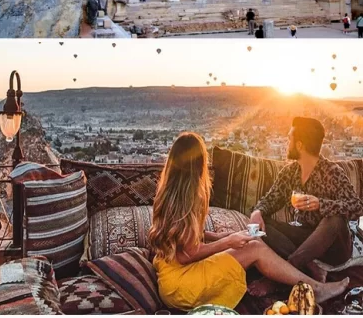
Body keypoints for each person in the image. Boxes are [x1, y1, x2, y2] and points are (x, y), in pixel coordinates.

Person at [149, 133, 349, 311]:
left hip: (172, 277)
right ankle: (315, 288)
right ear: (199, 162)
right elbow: (186, 255)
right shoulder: (188, 198)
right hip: (181, 285)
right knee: (255, 247)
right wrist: (227, 242)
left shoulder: (168, 192)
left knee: (251, 238)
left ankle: (302, 277)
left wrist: (217, 236)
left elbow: (179, 239)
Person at [248, 118, 362, 295]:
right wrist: (258, 212)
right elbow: (271, 199)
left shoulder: (332, 172)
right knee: (265, 225)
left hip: (335, 247)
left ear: (299, 145)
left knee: (334, 219)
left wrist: (321, 204)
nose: (287, 143)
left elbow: (356, 206)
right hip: (307, 239)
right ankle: (311, 267)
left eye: (289, 139)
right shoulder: (289, 172)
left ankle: (278, 277)